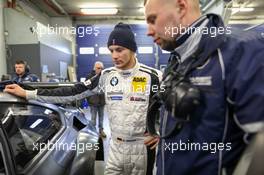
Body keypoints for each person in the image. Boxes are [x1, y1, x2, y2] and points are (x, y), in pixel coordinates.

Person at [5, 23, 161, 175]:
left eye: (119, 50)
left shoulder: (153, 77)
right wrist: (28, 93)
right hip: (115, 148)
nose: (114, 56)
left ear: (133, 49)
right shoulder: (106, 76)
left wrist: (162, 135)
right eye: (111, 50)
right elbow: (73, 91)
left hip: (142, 149)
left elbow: (174, 108)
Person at [144, 0, 264, 175]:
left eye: (153, 19)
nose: (148, 31)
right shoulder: (177, 59)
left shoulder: (241, 50)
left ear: (181, 7)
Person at [86, 61, 106, 138]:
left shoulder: (104, 77)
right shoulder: (89, 77)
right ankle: (93, 132)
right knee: (93, 119)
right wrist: (89, 99)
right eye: (98, 68)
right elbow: (86, 89)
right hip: (93, 102)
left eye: (102, 68)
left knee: (101, 117)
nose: (100, 70)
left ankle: (101, 130)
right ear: (94, 68)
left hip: (102, 102)